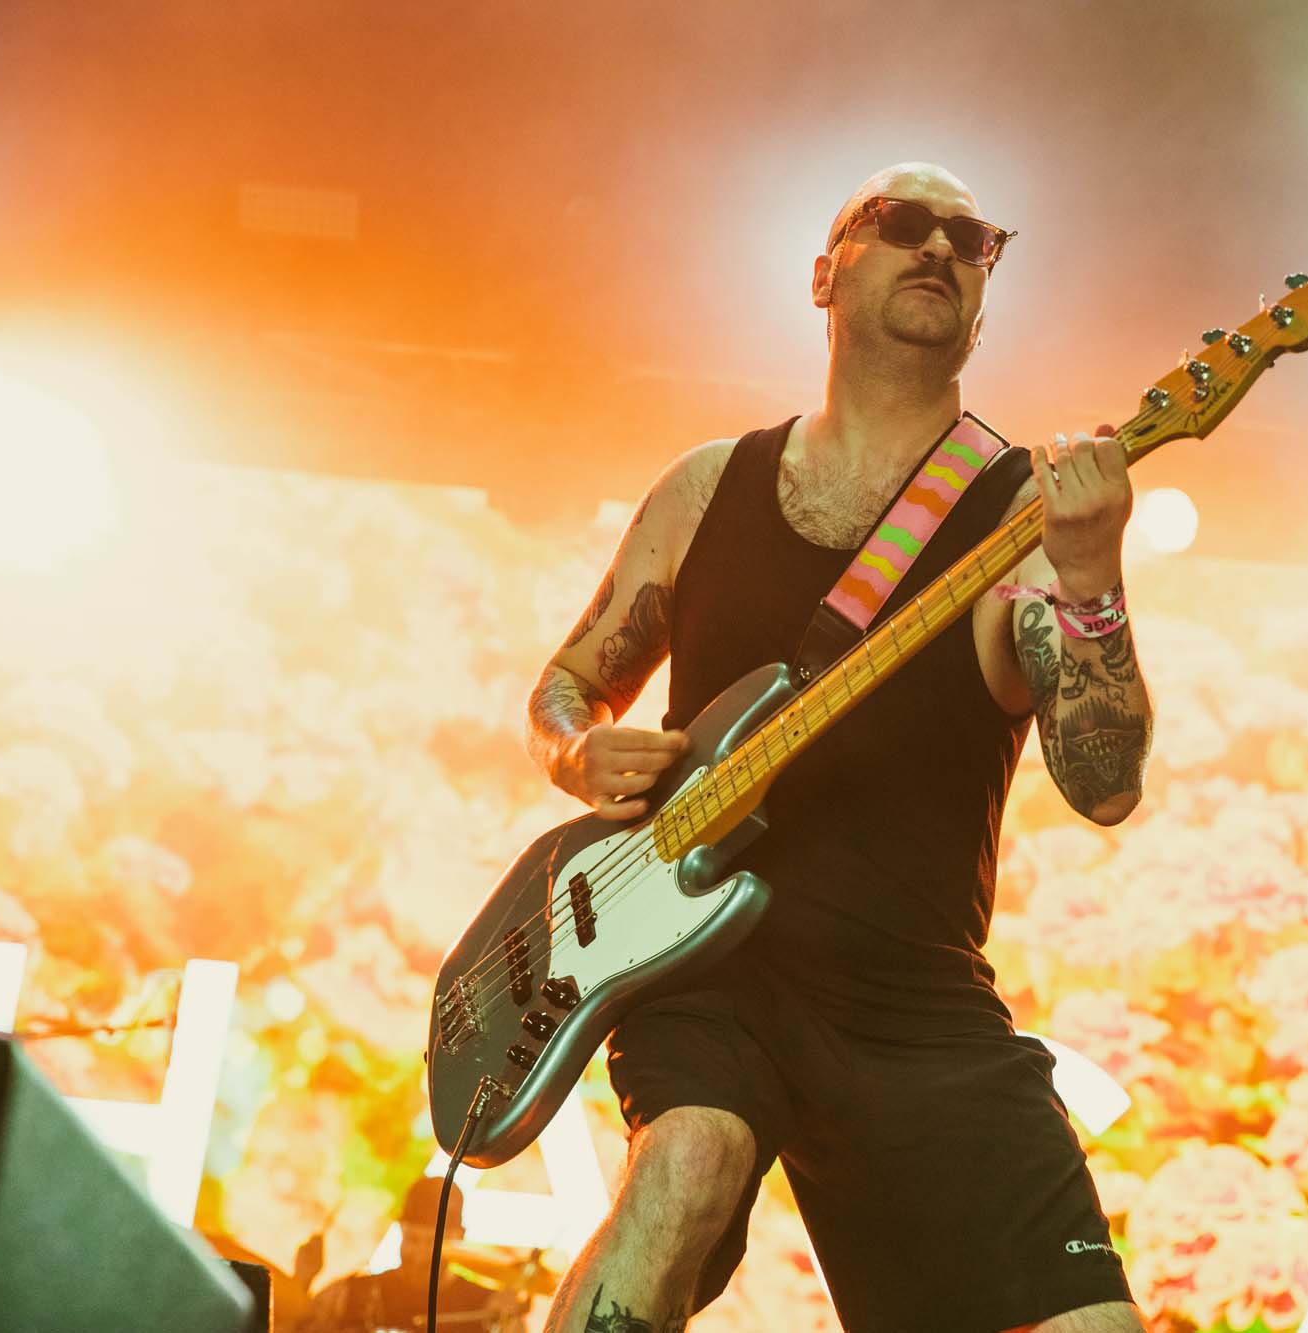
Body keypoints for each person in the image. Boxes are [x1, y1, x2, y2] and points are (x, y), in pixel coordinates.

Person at [525, 162, 1154, 1332]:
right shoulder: (706, 486)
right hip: (703, 962)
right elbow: (567, 687)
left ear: (984, 295)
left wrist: (1090, 581)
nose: (939, 248)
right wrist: (575, 750)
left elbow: (1105, 783)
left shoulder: (1021, 514)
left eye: (972, 238)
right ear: (824, 274)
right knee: (685, 1165)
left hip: (912, 998)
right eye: (901, 223)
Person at [297, 1177, 519, 1331]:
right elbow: (291, 1326)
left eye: (431, 1242)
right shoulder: (350, 1295)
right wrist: (301, 1282)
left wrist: (510, 1326)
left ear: (458, 1237)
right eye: (412, 1239)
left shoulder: (486, 1309)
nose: (418, 1253)